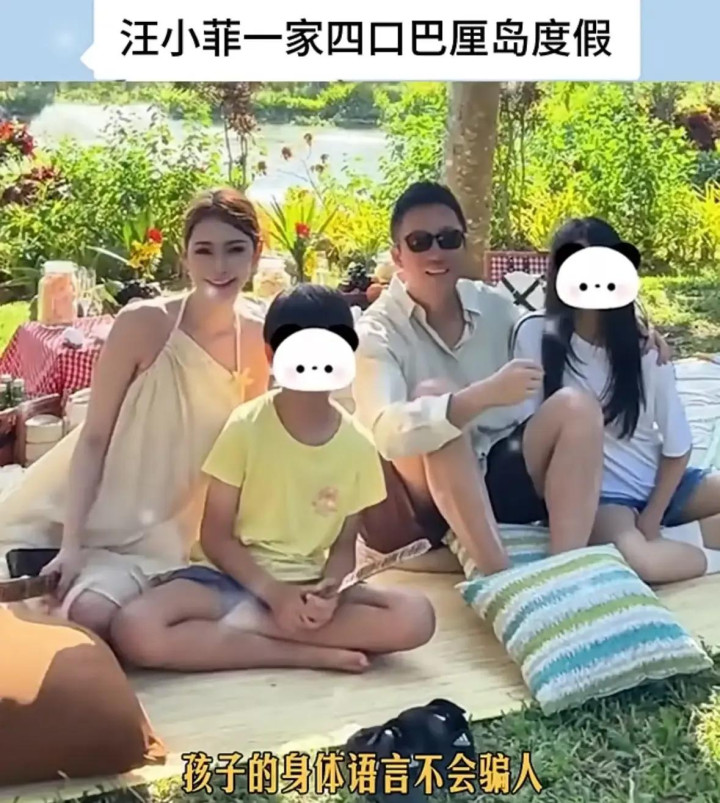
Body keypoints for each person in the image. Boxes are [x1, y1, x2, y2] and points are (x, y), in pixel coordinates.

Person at [110, 285, 436, 674]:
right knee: (135, 627)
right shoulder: (246, 427)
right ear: (271, 355)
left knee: (417, 616)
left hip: (308, 586)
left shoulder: (360, 447)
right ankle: (302, 652)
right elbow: (215, 536)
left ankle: (255, 628)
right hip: (228, 581)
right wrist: (273, 595)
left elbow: (344, 546)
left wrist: (330, 589)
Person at [352, 182, 671, 577]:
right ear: (397, 254)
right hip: (415, 502)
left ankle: (566, 569)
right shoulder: (377, 332)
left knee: (576, 405)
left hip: (493, 478)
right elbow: (385, 433)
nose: (436, 252)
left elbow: (562, 321)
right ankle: (500, 575)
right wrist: (477, 398)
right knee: (437, 402)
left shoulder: (493, 306)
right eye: (419, 242)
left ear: (464, 244)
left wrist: (636, 329)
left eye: (448, 239)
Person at [0, 188, 270, 638]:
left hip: (186, 532)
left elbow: (248, 453)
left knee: (129, 619)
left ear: (256, 254)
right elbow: (93, 436)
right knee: (88, 617)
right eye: (204, 251)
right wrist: (71, 544)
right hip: (99, 514)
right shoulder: (144, 323)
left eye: (235, 250)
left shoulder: (260, 335)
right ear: (185, 257)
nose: (219, 266)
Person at [511, 217, 720, 584]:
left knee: (649, 538)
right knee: (642, 561)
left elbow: (678, 446)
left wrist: (653, 516)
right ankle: (698, 547)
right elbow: (531, 437)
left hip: (660, 484)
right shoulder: (534, 333)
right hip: (604, 498)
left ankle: (675, 535)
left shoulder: (645, 352)